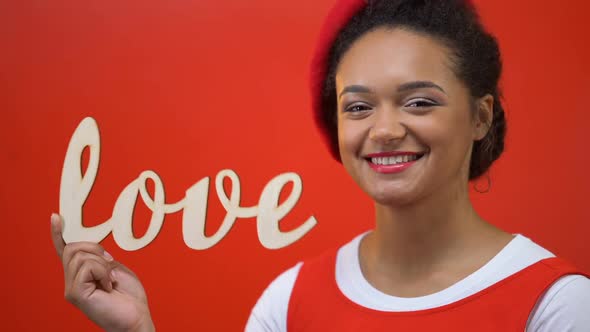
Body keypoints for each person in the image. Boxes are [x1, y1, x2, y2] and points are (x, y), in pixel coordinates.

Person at [50, 0, 590, 331]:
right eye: (357, 106)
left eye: (419, 101)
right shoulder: (289, 300)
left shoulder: (556, 303)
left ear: (479, 116)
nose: (383, 129)